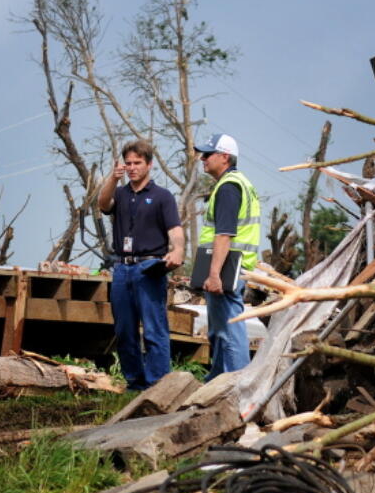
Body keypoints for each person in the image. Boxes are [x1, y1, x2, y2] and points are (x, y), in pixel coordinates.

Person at [97, 139, 185, 391]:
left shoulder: (162, 196)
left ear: (149, 165)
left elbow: (175, 229)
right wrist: (113, 179)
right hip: (122, 268)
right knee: (124, 329)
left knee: (154, 328)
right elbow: (103, 205)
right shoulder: (121, 193)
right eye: (128, 163)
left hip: (149, 267)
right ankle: (134, 383)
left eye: (137, 163)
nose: (132, 168)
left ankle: (157, 383)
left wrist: (177, 249)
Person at [194, 133, 262, 380]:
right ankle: (217, 381)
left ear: (225, 157)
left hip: (225, 268)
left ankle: (237, 387)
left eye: (208, 154)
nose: (202, 158)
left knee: (230, 331)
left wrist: (213, 274)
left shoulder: (229, 187)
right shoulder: (239, 183)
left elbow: (224, 234)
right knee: (221, 331)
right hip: (233, 265)